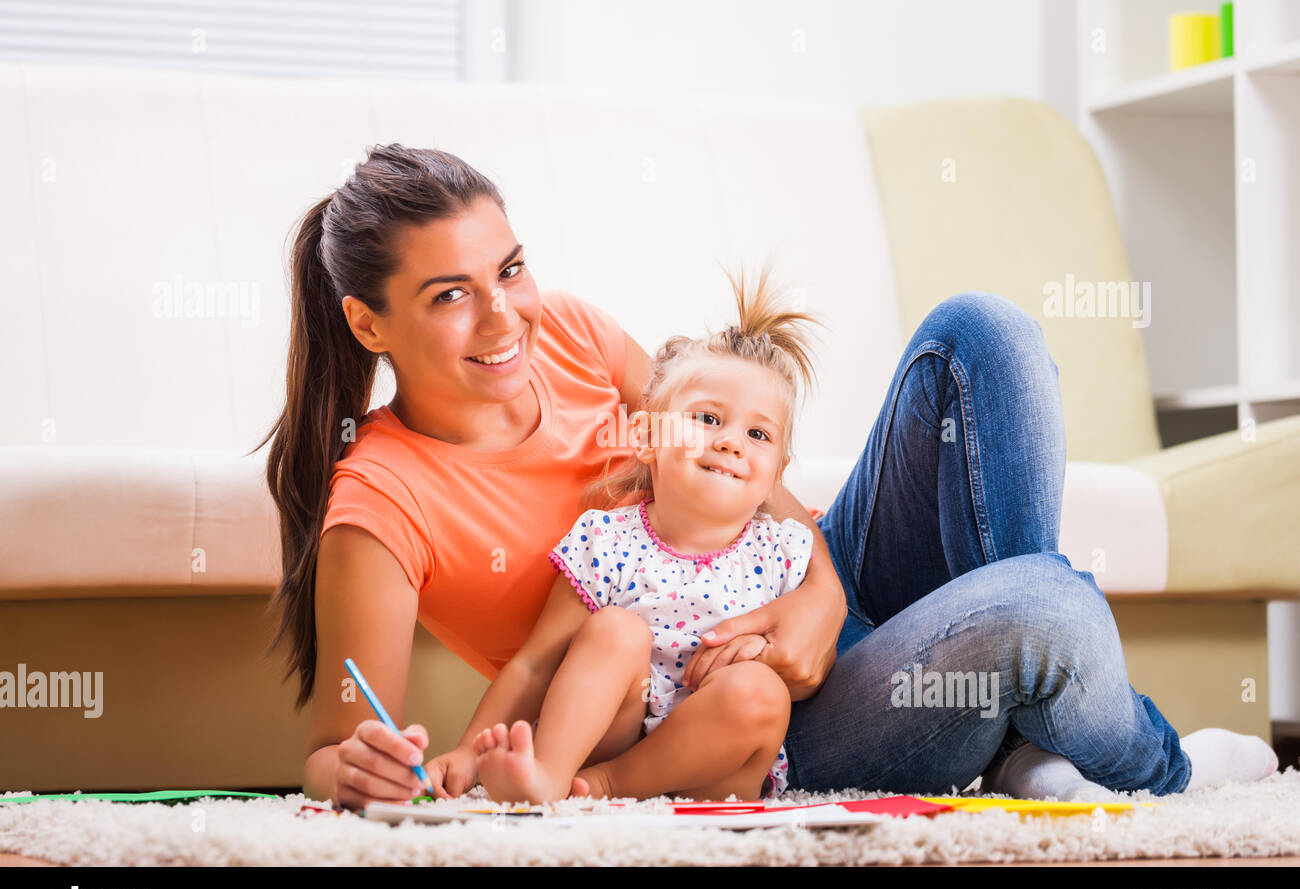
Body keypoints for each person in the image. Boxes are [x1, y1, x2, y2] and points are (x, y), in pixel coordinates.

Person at [260, 143, 1277, 811]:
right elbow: (339, 744)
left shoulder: (563, 331)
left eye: (509, 268)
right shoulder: (382, 500)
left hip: (805, 600)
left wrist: (818, 598)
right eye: (450, 295)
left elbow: (752, 476)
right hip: (741, 723)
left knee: (984, 334)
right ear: (367, 321)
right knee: (1043, 608)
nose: (504, 318)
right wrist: (360, 768)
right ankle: (1158, 769)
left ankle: (1014, 739)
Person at [464, 270, 818, 804]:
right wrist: (465, 753)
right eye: (706, 418)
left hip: (716, 767)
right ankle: (551, 775)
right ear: (648, 436)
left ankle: (606, 789)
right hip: (613, 738)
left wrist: (763, 659)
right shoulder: (608, 542)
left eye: (758, 434)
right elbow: (535, 662)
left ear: (777, 473)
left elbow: (810, 667)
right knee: (615, 632)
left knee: (761, 692)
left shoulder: (782, 554)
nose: (729, 443)